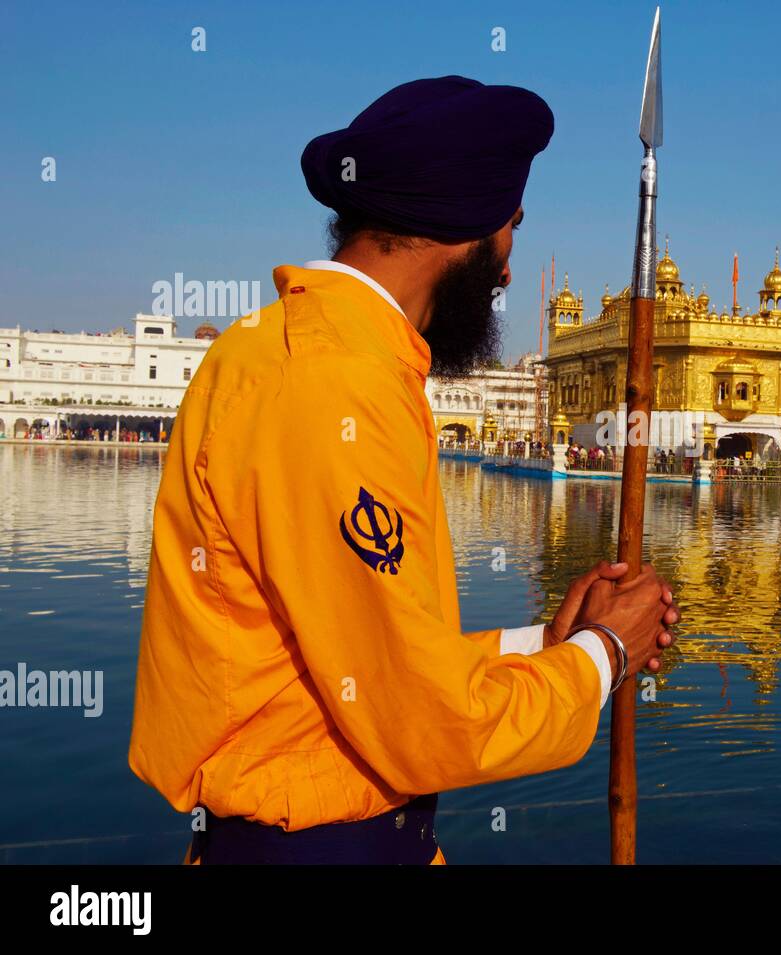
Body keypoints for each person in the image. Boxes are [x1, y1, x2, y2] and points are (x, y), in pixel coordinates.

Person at [129, 76, 681, 865]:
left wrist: (548, 641)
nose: (509, 273)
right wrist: (605, 656)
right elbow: (419, 721)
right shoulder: (332, 384)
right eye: (511, 230)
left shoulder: (286, 352)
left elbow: (360, 661)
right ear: (463, 225)